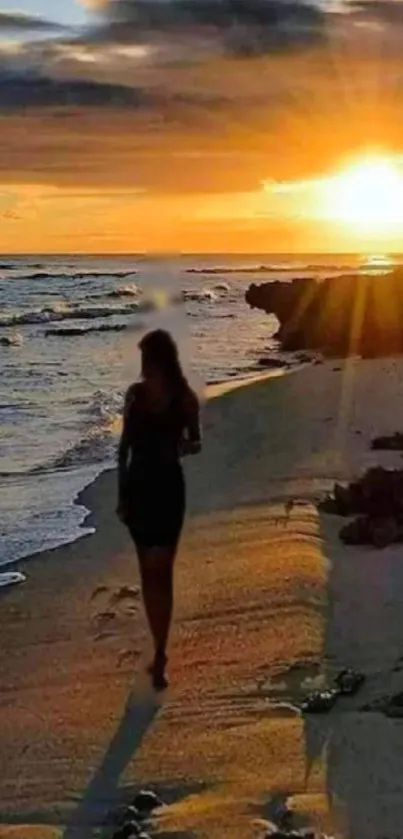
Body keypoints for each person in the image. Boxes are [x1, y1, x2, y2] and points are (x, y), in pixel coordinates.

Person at [117, 329, 202, 690]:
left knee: (161, 570)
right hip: (138, 488)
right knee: (148, 572)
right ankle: (158, 648)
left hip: (167, 487)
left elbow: (196, 443)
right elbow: (122, 449)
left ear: (160, 359)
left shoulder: (185, 398)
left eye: (147, 359)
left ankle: (161, 652)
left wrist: (176, 448)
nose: (144, 367)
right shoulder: (134, 396)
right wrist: (121, 495)